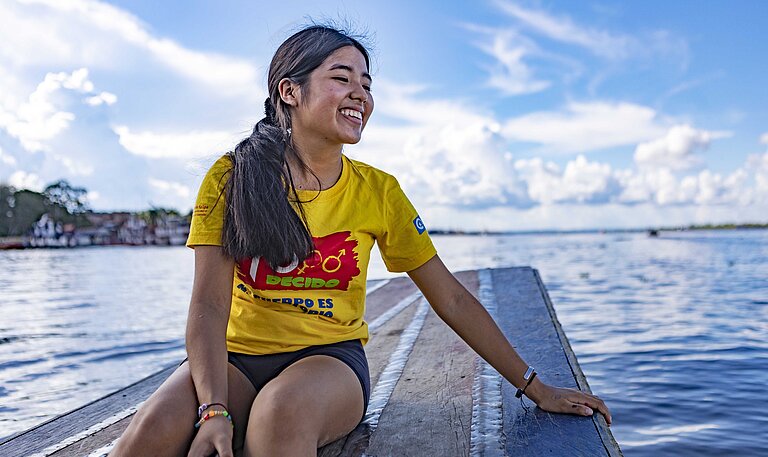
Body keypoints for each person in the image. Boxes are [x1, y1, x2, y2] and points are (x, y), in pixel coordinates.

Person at [111, 24, 611, 457]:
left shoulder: (379, 191)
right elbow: (207, 306)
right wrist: (213, 408)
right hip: (235, 357)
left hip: (328, 361)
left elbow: (452, 297)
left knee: (278, 419)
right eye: (341, 78)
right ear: (290, 91)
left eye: (366, 85)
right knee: (149, 435)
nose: (360, 95)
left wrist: (534, 386)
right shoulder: (232, 176)